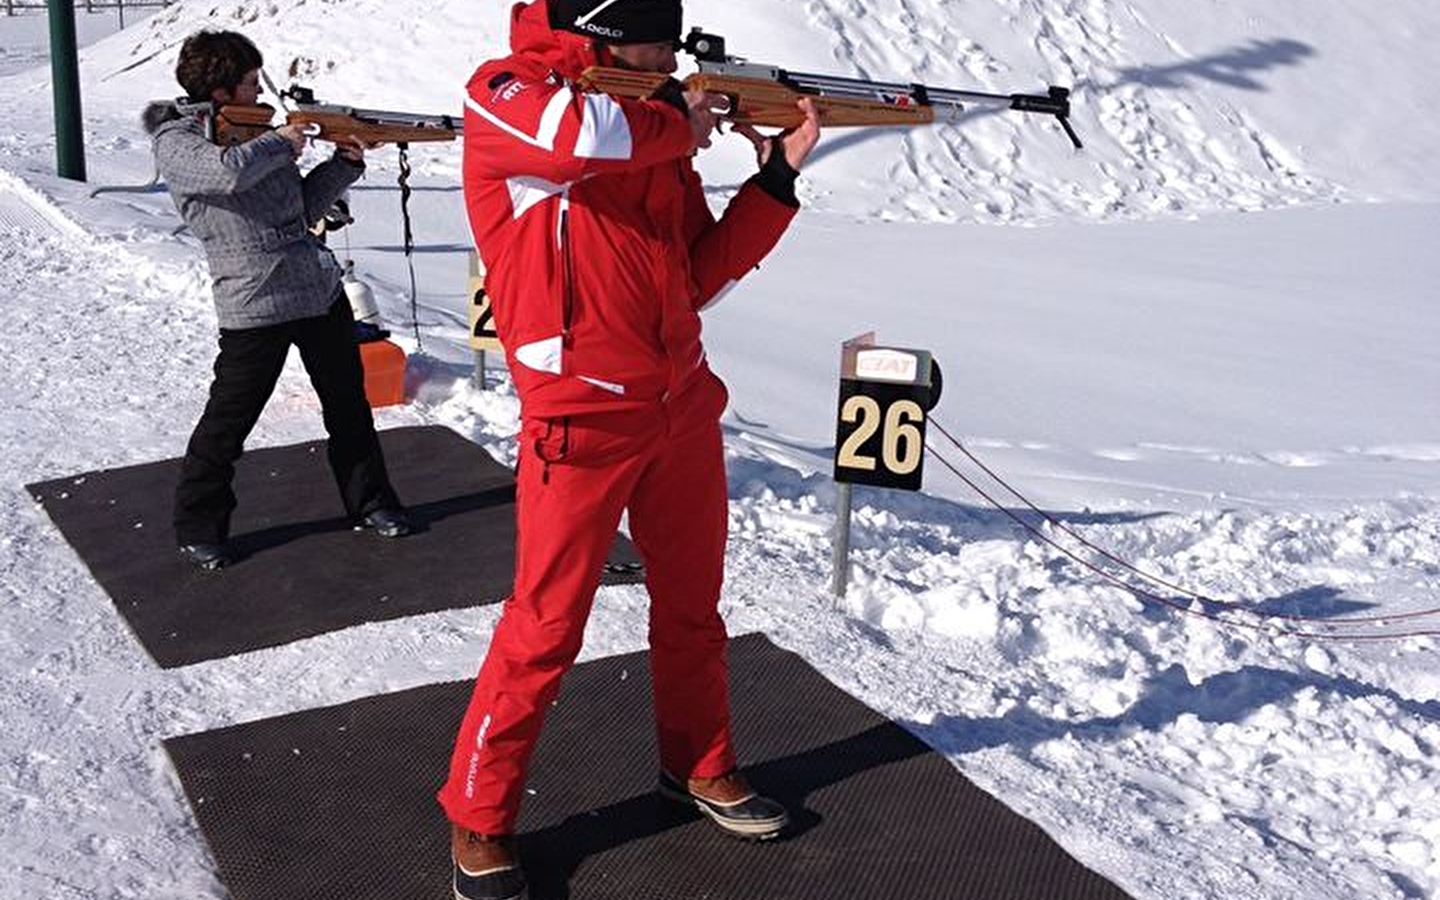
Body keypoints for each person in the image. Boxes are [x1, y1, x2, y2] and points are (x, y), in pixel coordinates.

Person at [439, 2, 820, 898]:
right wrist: (678, 122)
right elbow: (577, 139)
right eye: (652, 40)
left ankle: (698, 765)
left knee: (694, 607)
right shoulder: (509, 93)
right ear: (598, 35)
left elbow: (697, 274)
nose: (668, 55)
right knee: (544, 627)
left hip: (678, 403)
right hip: (578, 415)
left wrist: (775, 181)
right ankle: (479, 814)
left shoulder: (650, 129)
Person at [142, 30, 412, 571]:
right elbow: (226, 174)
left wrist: (346, 161)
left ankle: (372, 503)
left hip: (316, 289)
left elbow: (300, 206)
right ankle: (199, 526)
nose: (257, 93)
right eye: (247, 83)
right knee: (229, 421)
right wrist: (283, 140)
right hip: (253, 301)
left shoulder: (255, 134)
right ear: (220, 93)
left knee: (349, 406)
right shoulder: (177, 142)